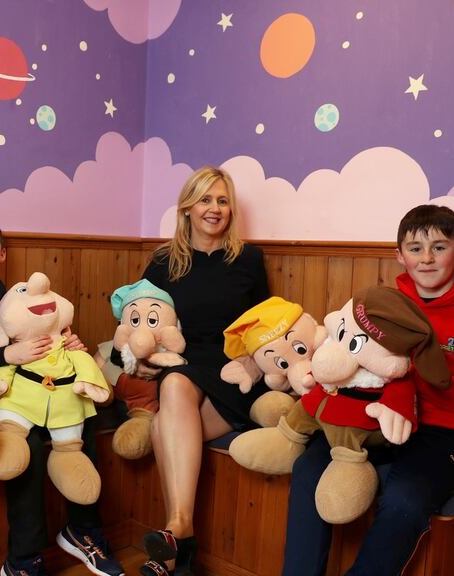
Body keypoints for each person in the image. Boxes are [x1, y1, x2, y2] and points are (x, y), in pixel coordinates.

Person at [282, 204, 454, 575]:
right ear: (399, 255)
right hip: (376, 419)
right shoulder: (384, 305)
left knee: (404, 497)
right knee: (310, 465)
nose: (427, 259)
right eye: (415, 248)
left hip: (452, 432)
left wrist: (416, 380)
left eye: (439, 248)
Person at [0, 215, 125, 576]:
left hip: (41, 388)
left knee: (83, 416)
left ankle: (84, 530)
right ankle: (23, 558)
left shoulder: (16, 295)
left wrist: (67, 343)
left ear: (2, 253)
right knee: (24, 447)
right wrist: (5, 356)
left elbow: (49, 328)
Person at [138, 166, 271, 576]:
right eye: (205, 199)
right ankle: (182, 535)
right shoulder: (163, 262)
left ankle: (178, 538)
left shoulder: (248, 258)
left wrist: (255, 360)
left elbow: (264, 324)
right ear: (187, 208)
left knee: (164, 426)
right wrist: (140, 357)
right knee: (175, 383)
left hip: (235, 371)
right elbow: (140, 319)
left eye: (222, 200)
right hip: (182, 363)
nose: (215, 208)